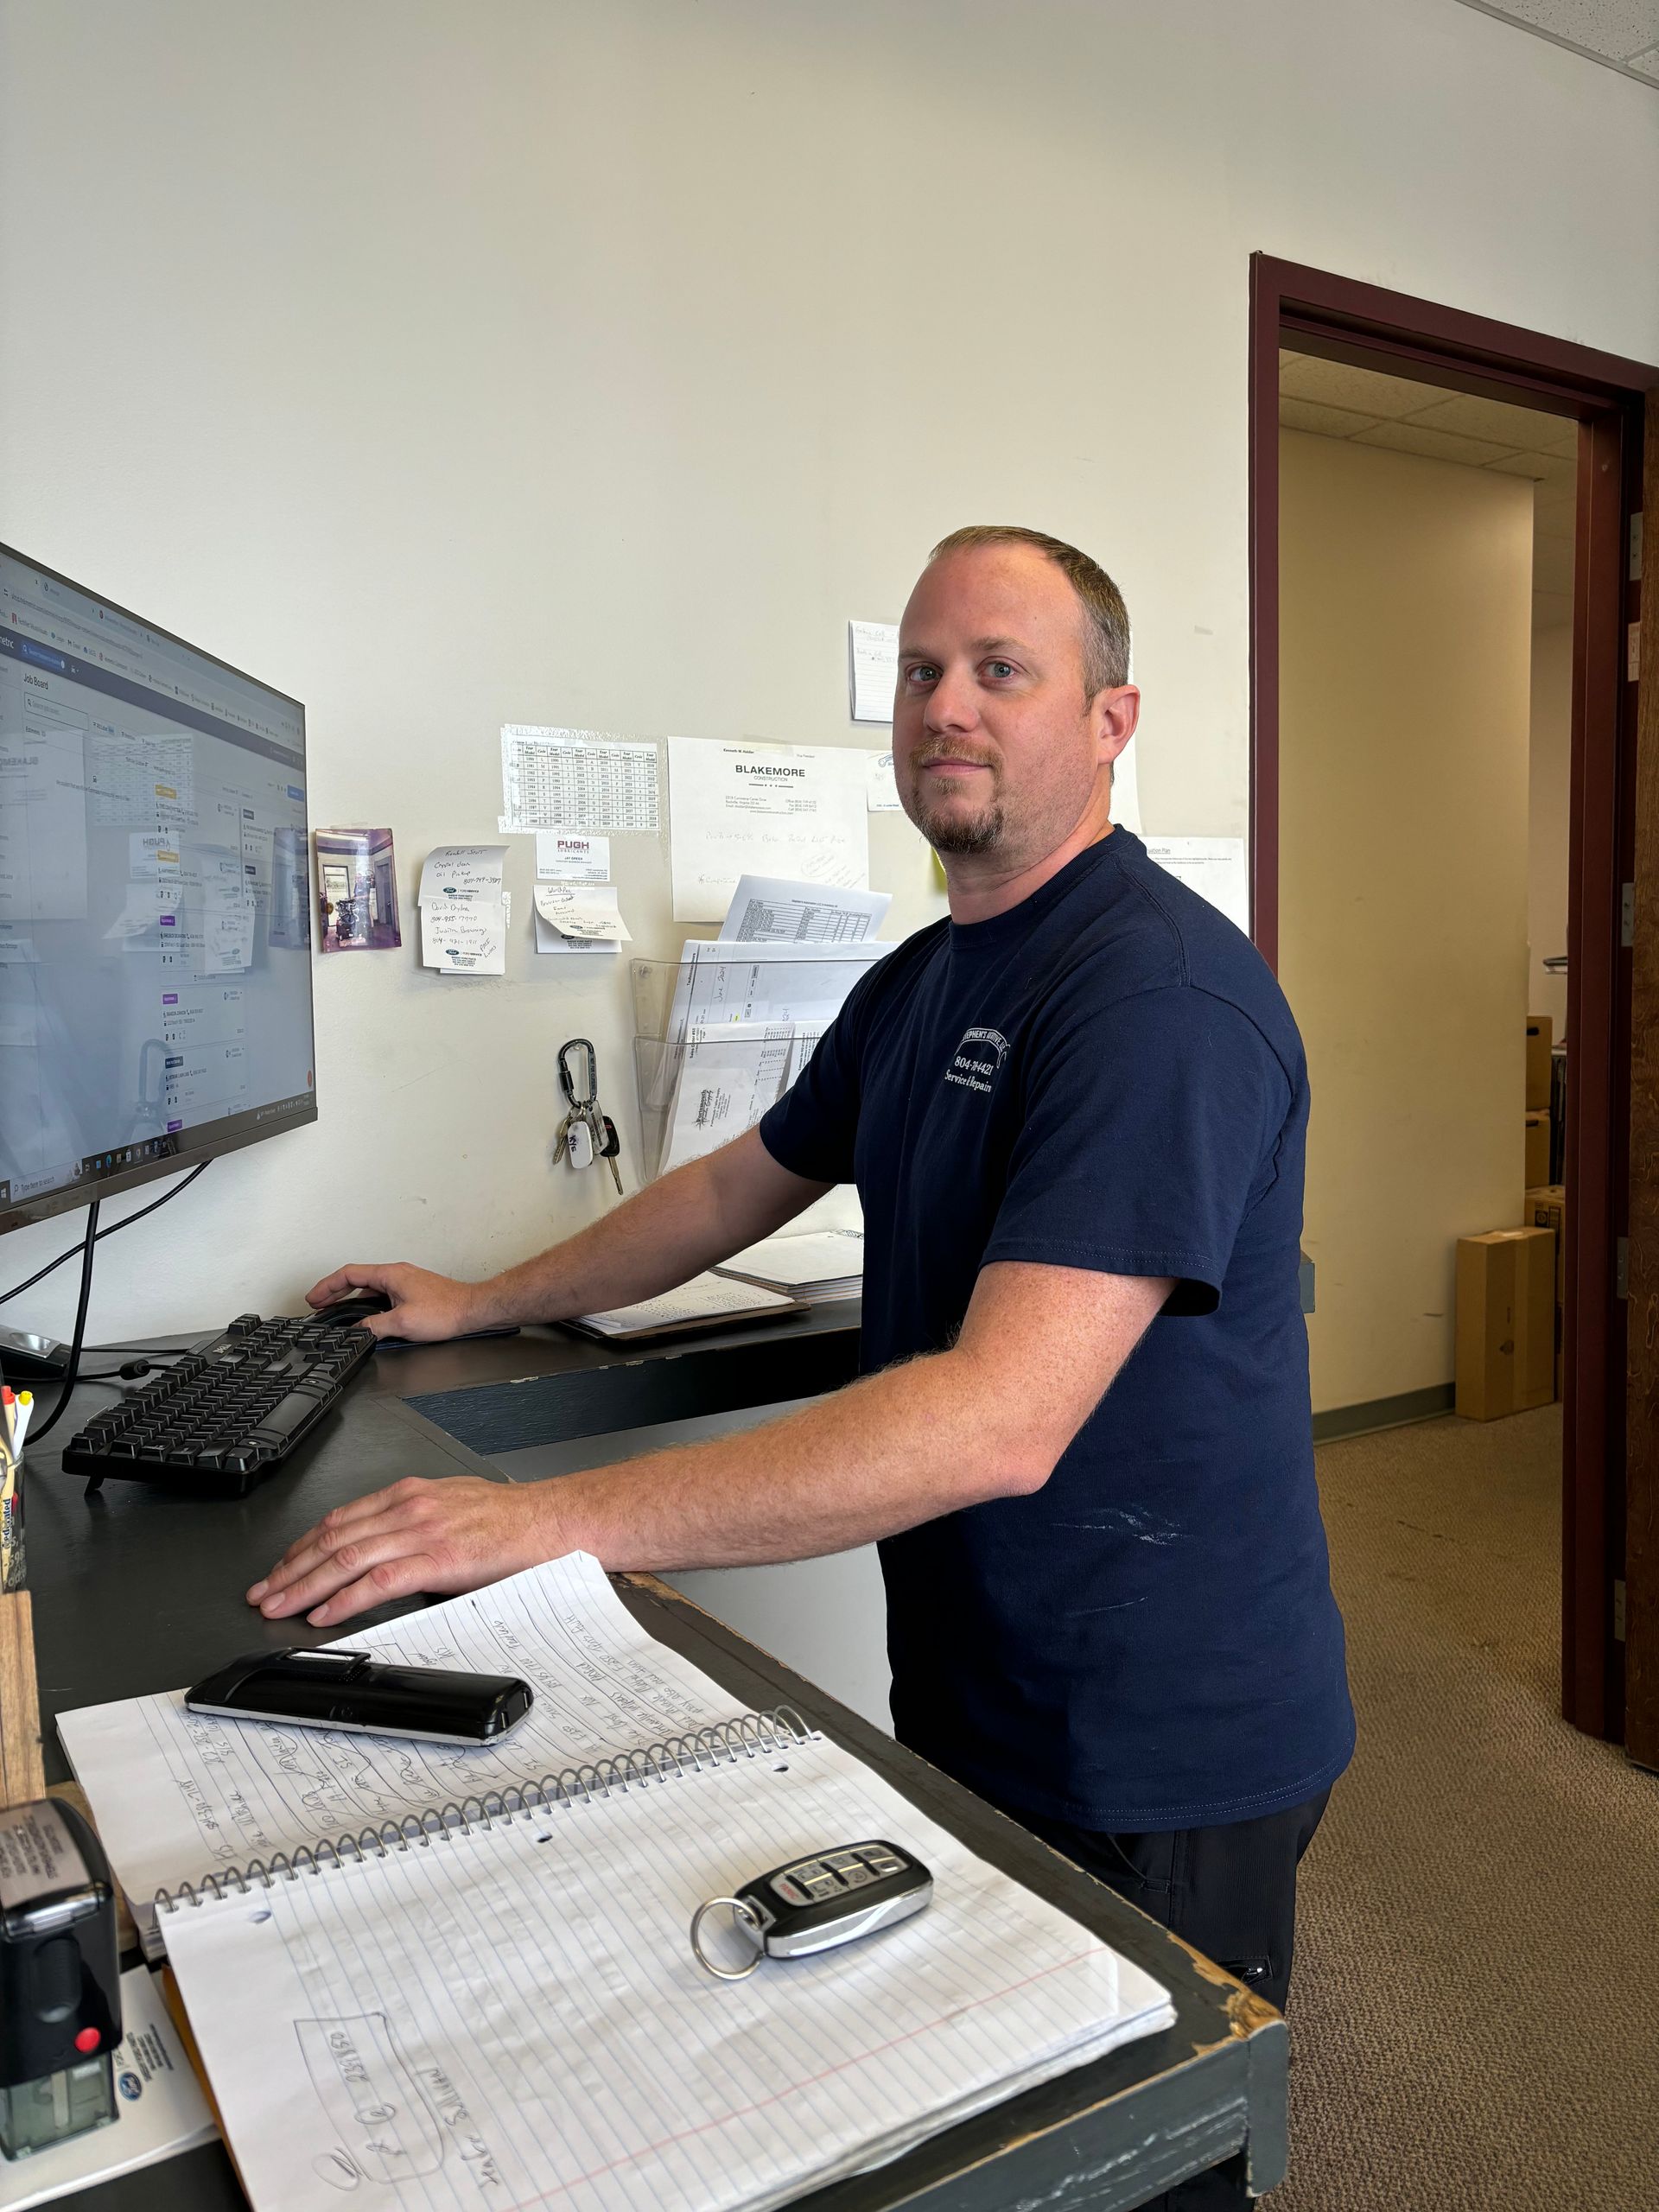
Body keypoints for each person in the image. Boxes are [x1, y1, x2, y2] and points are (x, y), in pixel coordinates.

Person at [250, 525, 1352, 2210]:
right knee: (995, 2135)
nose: (946, 707)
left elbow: (997, 1417)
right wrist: (478, 1298)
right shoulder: (925, 978)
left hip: (1158, 1738)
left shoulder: (1157, 993)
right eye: (921, 670)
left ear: (1114, 716)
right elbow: (727, 1186)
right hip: (984, 1688)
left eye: (1003, 668)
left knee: (1138, 2176)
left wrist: (547, 1523)